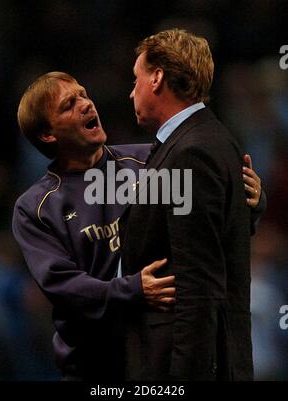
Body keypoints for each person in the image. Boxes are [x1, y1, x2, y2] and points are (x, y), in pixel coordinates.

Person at [12, 71, 264, 381]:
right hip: (94, 365)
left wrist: (247, 204)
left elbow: (204, 231)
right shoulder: (35, 206)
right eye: (69, 105)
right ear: (48, 134)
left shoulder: (151, 162)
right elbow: (63, 288)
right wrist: (133, 290)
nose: (86, 104)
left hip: (157, 357)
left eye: (83, 94)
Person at [119, 29, 266, 381]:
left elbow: (197, 286)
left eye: (136, 78)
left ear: (156, 78)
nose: (131, 91)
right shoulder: (208, 139)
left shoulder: (191, 152)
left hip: (183, 361)